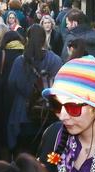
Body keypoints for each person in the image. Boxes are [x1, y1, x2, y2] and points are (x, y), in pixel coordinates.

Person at [7, 23, 63, 155]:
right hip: (47, 113)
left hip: (22, 113)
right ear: (45, 39)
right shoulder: (55, 60)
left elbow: (11, 84)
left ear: (27, 39)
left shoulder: (19, 61)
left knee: (23, 154)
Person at [0, 30, 25, 160]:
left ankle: (5, 163)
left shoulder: (2, 53)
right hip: (19, 98)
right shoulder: (24, 53)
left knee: (2, 132)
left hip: (2, 98)